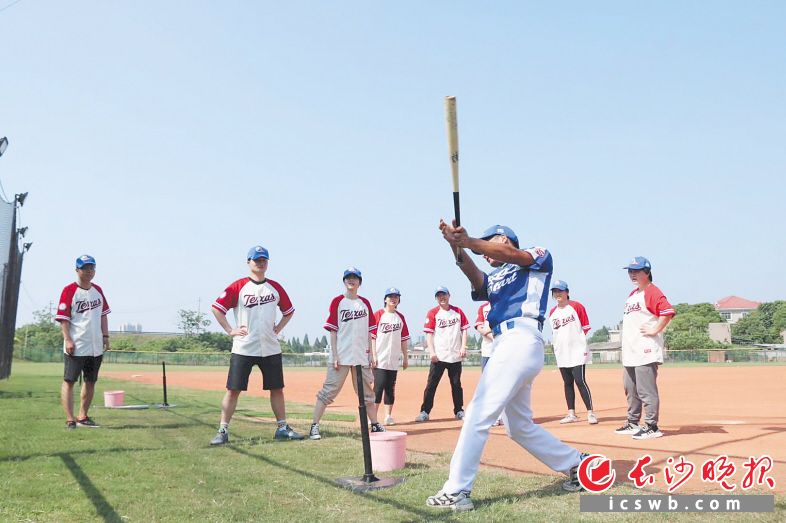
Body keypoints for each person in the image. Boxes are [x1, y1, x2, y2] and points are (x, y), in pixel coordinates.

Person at [427, 223, 587, 511]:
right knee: (519, 426)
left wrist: (471, 241)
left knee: (477, 413)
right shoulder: (496, 276)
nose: (485, 253)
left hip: (521, 337)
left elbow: (512, 255)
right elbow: (475, 276)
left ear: (503, 239)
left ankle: (457, 490)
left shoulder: (536, 255)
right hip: (505, 343)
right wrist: (455, 244)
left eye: (489, 243)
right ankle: (577, 464)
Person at [209, 245, 304, 445]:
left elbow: (289, 311)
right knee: (233, 390)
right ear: (248, 262)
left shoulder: (275, 287)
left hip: (270, 347)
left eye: (263, 260)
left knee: (277, 388)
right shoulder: (238, 286)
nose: (260, 263)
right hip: (244, 346)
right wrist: (230, 330)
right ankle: (222, 431)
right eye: (257, 260)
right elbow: (217, 308)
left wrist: (278, 328)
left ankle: (282, 428)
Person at [310, 267, 382, 440]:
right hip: (341, 356)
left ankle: (375, 424)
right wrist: (334, 354)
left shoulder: (365, 303)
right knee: (328, 392)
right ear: (344, 281)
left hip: (361, 356)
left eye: (354, 277)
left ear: (359, 282)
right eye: (348, 277)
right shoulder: (338, 302)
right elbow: (333, 331)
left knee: (367, 395)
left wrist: (371, 354)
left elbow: (370, 331)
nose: (351, 280)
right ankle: (314, 426)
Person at [615, 256, 676, 440]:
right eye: (630, 271)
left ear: (647, 272)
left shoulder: (652, 291)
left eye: (636, 271)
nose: (632, 274)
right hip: (631, 351)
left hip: (645, 350)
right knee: (630, 388)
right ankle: (633, 422)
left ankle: (652, 426)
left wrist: (656, 329)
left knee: (646, 390)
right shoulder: (633, 294)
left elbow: (667, 311)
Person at [56, 255, 111, 429]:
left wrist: (105, 336)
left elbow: (103, 315)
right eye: (85, 268)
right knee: (69, 381)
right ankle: (70, 419)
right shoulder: (69, 290)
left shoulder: (98, 290)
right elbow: (63, 319)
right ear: (77, 270)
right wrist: (68, 339)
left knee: (91, 381)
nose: (89, 271)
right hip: (77, 344)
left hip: (95, 346)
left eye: (92, 268)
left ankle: (82, 416)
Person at [415, 287, 469, 422]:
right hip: (439, 356)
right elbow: (429, 334)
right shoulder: (433, 313)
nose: (442, 297)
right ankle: (425, 411)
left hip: (455, 355)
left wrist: (463, 347)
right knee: (431, 385)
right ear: (436, 298)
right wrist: (432, 352)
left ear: (449, 295)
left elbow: (464, 330)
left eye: (444, 294)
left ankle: (459, 410)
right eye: (439, 295)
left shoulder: (458, 312)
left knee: (456, 385)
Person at [548, 279, 597, 425]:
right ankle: (571, 413)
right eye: (555, 291)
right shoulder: (552, 312)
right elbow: (555, 333)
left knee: (580, 381)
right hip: (561, 352)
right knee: (567, 382)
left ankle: (590, 413)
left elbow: (585, 327)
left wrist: (577, 342)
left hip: (577, 351)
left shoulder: (576, 306)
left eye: (560, 291)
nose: (557, 294)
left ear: (567, 292)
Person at [372, 287, 410, 426]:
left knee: (390, 388)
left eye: (396, 297)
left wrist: (405, 357)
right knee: (378, 386)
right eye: (390, 297)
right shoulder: (378, 315)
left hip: (393, 360)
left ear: (399, 300)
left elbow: (404, 339)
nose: (393, 299)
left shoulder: (400, 317)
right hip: (379, 359)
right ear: (385, 299)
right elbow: (372, 337)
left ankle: (388, 416)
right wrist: (373, 355)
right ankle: (373, 417)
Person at [475, 301, 502, 426]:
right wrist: (493, 337)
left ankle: (500, 415)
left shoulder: (504, 303)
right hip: (487, 351)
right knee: (487, 384)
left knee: (501, 383)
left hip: (502, 350)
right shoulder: (483, 307)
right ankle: (491, 414)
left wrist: (490, 333)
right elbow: (479, 327)